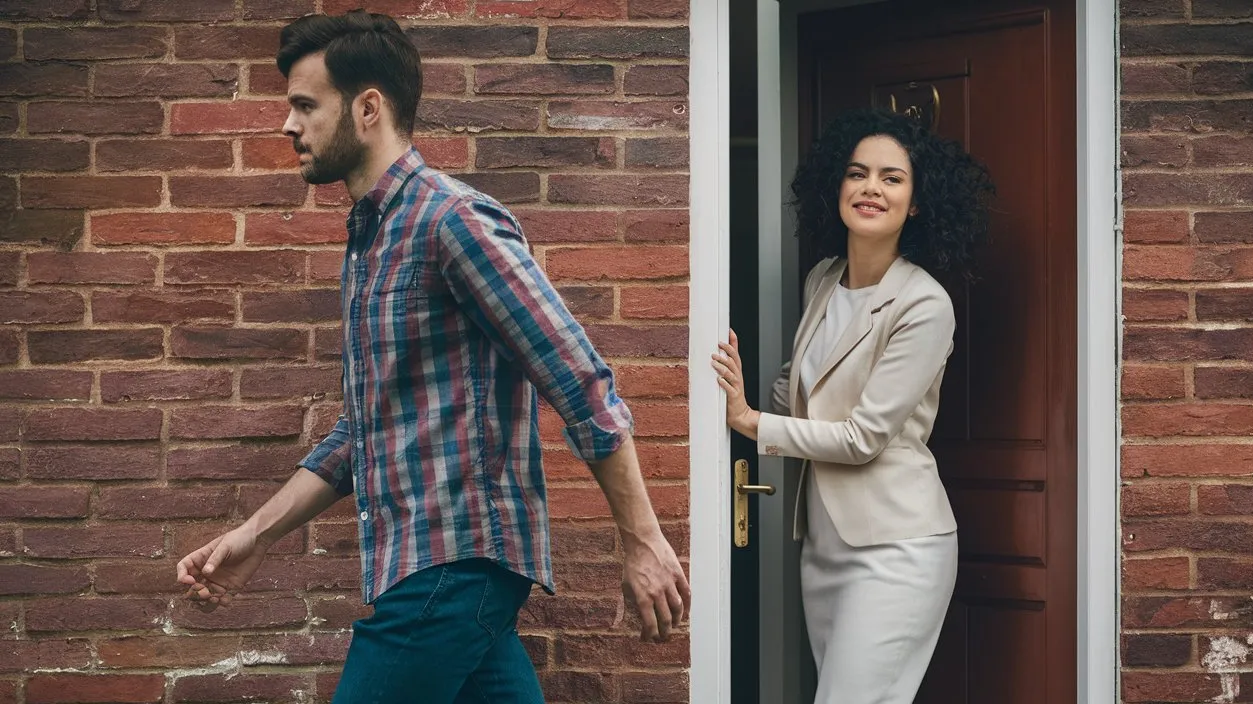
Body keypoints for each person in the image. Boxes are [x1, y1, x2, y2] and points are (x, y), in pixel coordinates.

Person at [175, 10, 689, 703]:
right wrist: (255, 535)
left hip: (451, 566)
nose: (288, 125)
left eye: (304, 105)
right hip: (443, 573)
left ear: (367, 107)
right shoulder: (370, 244)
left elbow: (578, 377)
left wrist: (643, 538)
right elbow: (365, 431)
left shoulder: (452, 221)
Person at [711, 108, 993, 703]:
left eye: (892, 178)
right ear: (836, 186)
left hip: (898, 549)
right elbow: (800, 391)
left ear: (916, 202)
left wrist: (749, 422)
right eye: (857, 173)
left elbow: (864, 438)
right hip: (826, 546)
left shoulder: (923, 304)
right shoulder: (823, 278)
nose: (870, 188)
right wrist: (730, 384)